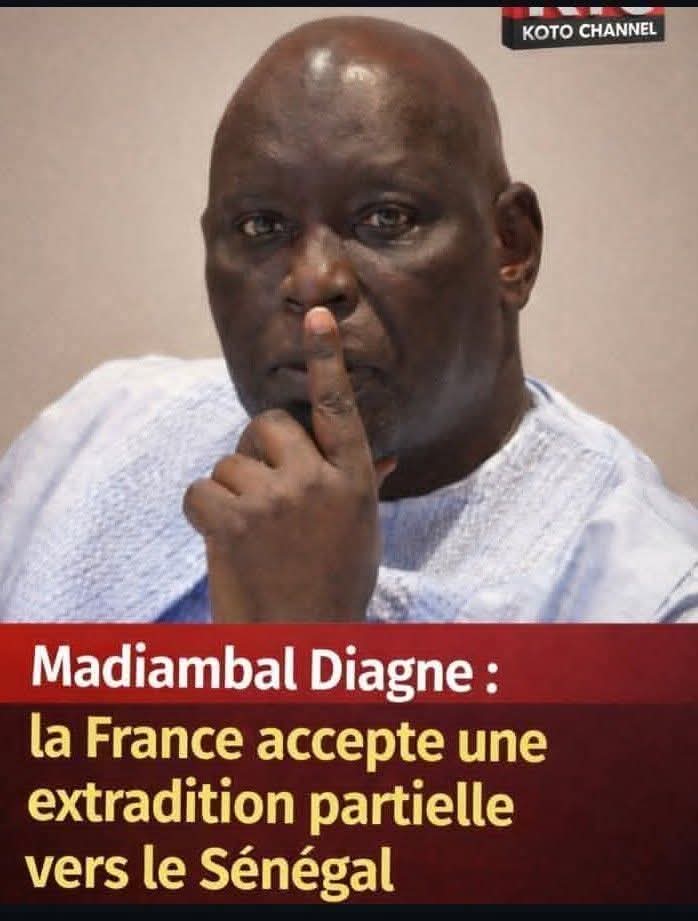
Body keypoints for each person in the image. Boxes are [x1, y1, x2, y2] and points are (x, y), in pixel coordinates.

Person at [1, 16, 696, 624]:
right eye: (261, 225)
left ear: (511, 248)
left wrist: (303, 656)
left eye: (386, 218)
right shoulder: (91, 438)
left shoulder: (652, 603)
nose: (313, 281)